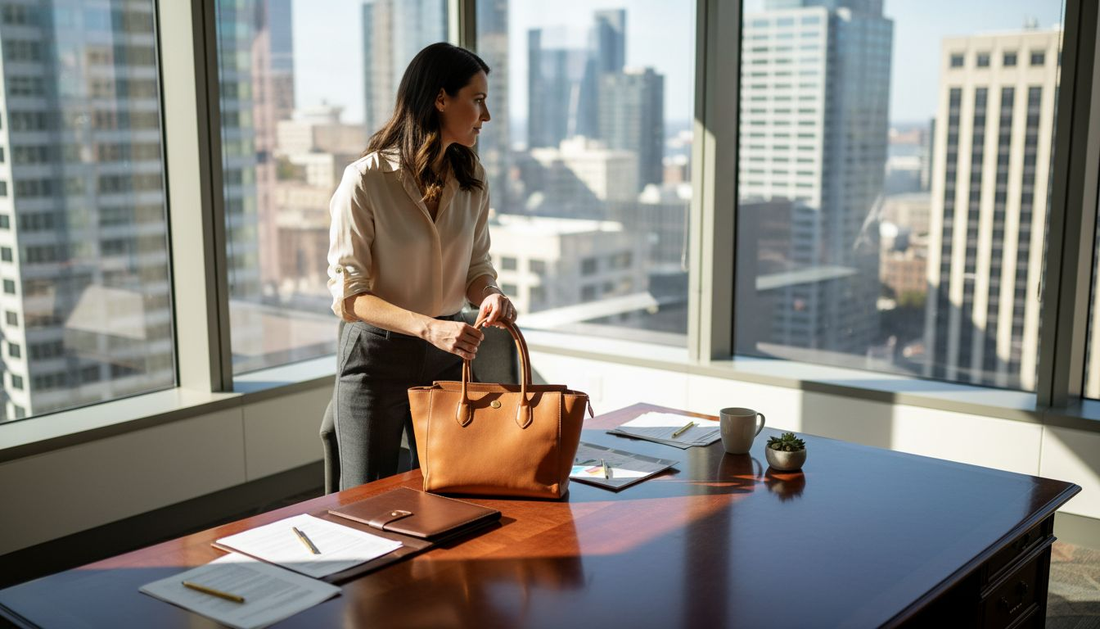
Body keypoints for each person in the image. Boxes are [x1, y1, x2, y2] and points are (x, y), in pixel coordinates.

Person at [326, 43, 514, 489]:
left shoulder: (473, 179)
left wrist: (490, 294)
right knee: (365, 497)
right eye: (478, 100)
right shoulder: (365, 180)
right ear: (441, 98)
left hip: (447, 356)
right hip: (375, 357)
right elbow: (350, 297)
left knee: (452, 487)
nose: (485, 116)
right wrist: (430, 327)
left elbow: (477, 267)